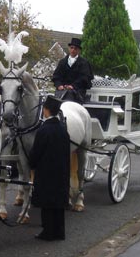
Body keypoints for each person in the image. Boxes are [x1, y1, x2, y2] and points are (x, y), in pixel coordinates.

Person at [29, 95, 70, 241]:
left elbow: (36, 152)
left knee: (47, 205)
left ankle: (48, 232)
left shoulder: (43, 130)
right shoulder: (63, 129)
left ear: (45, 110)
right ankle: (59, 232)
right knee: (58, 204)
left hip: (46, 172)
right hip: (61, 172)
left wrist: (31, 164)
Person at [52, 37, 94, 103]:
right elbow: (56, 76)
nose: (73, 50)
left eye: (75, 48)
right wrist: (59, 85)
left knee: (69, 96)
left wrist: (73, 86)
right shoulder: (62, 62)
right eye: (71, 48)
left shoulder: (84, 63)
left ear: (79, 50)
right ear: (69, 48)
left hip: (77, 91)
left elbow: (84, 78)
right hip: (62, 90)